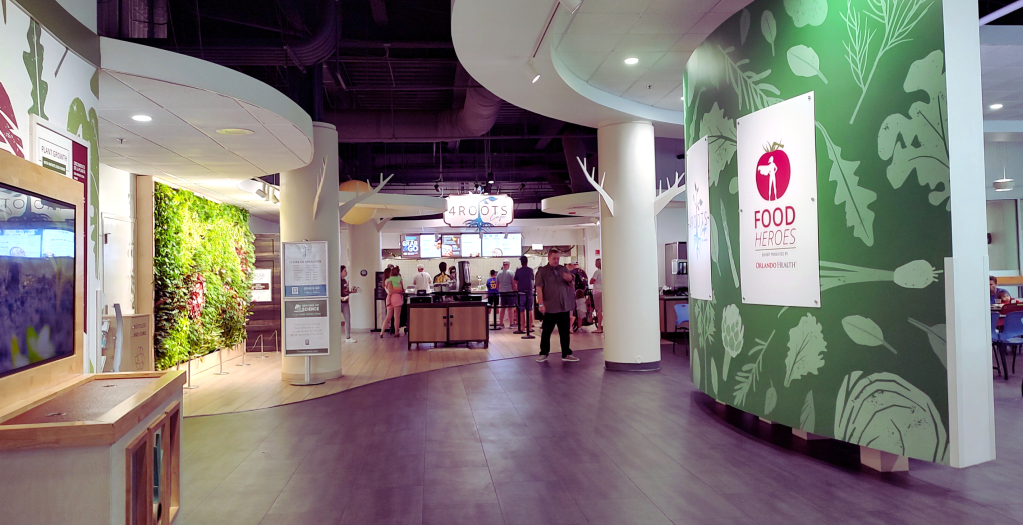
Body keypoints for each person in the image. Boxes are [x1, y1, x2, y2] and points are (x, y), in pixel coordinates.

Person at [534, 248, 579, 362]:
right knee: (546, 331)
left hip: (563, 306)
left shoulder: (563, 269)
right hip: (550, 307)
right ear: (548, 258)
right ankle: (544, 353)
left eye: (558, 258)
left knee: (565, 332)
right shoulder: (542, 271)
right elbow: (539, 288)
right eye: (554, 258)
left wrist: (570, 280)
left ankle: (566, 353)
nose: (556, 260)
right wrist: (541, 304)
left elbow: (571, 285)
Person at [381, 267, 404, 337]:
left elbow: (389, 291)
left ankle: (382, 332)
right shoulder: (390, 280)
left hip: (388, 299)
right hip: (396, 298)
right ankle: (396, 332)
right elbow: (392, 290)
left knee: (388, 317)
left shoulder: (385, 281)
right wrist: (399, 291)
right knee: (397, 317)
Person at [514, 255, 535, 328]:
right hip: (529, 291)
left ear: (521, 262)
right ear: (527, 262)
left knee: (521, 310)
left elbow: (515, 281)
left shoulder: (518, 270)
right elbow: (532, 279)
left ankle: (522, 327)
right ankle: (529, 327)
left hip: (521, 292)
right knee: (529, 309)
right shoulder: (530, 270)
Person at [340, 265, 356, 343]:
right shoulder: (337, 281)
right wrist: (340, 298)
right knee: (335, 320)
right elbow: (334, 292)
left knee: (347, 319)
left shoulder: (345, 281)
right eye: (344, 271)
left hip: (345, 303)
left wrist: (352, 292)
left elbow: (346, 291)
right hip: (339, 303)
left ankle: (348, 337)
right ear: (340, 272)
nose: (346, 272)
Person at [497, 260, 515, 327]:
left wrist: (500, 290)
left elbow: (497, 284)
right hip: (510, 292)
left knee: (503, 308)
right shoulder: (511, 273)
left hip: (502, 292)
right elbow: (513, 283)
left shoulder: (499, 273)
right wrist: (515, 290)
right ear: (508, 264)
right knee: (511, 308)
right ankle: (511, 323)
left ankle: (501, 323)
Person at [590, 258, 602, 333]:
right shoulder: (605, 272)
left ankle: (599, 327)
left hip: (597, 292)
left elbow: (591, 281)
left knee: (599, 310)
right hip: (602, 292)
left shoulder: (597, 272)